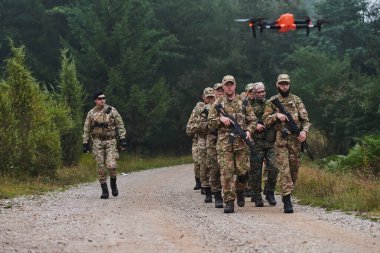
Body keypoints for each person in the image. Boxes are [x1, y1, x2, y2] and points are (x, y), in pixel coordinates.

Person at [208, 75, 257, 213]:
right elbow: (210, 123)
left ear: (235, 85)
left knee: (243, 172)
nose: (229, 87)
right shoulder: (217, 103)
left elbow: (253, 120)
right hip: (224, 143)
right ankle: (229, 201)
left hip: (241, 142)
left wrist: (249, 131)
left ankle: (240, 190)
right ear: (223, 87)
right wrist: (220, 119)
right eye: (226, 84)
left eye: (231, 84)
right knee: (226, 172)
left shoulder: (243, 102)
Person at [262, 74, 311, 213]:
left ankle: (288, 191)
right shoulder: (272, 101)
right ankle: (286, 199)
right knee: (284, 170)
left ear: (289, 85)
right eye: (282, 84)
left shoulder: (296, 100)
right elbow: (265, 120)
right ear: (277, 85)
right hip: (280, 140)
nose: (284, 86)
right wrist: (276, 116)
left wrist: (304, 132)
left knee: (294, 169)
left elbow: (305, 120)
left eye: (286, 84)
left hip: (295, 141)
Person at [83, 91, 127, 199]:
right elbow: (86, 128)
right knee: (100, 167)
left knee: (111, 165)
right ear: (95, 100)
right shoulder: (91, 113)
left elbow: (120, 124)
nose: (102, 100)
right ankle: (104, 190)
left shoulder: (112, 111)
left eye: (104, 98)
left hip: (110, 141)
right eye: (100, 98)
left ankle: (113, 184)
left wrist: (123, 138)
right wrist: (85, 143)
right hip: (97, 142)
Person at [246, 82, 278, 207]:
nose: (261, 94)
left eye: (263, 91)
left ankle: (269, 192)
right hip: (256, 142)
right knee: (255, 171)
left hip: (270, 141)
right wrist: (255, 126)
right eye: (258, 92)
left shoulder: (270, 103)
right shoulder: (248, 105)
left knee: (274, 168)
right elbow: (243, 121)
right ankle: (256, 194)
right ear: (253, 93)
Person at [195, 87, 216, 203]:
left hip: (218, 139)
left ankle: (217, 189)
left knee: (216, 167)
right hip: (205, 139)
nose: (210, 99)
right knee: (204, 165)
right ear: (204, 98)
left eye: (212, 97)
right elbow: (196, 126)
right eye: (208, 97)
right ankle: (206, 188)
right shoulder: (202, 109)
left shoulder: (219, 106)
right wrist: (209, 124)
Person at [207, 83, 224, 208]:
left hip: (228, 140)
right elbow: (208, 125)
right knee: (215, 169)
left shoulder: (230, 103)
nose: (220, 92)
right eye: (218, 90)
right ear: (214, 92)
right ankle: (217, 195)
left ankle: (232, 192)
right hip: (213, 141)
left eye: (222, 90)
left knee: (229, 168)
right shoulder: (210, 107)